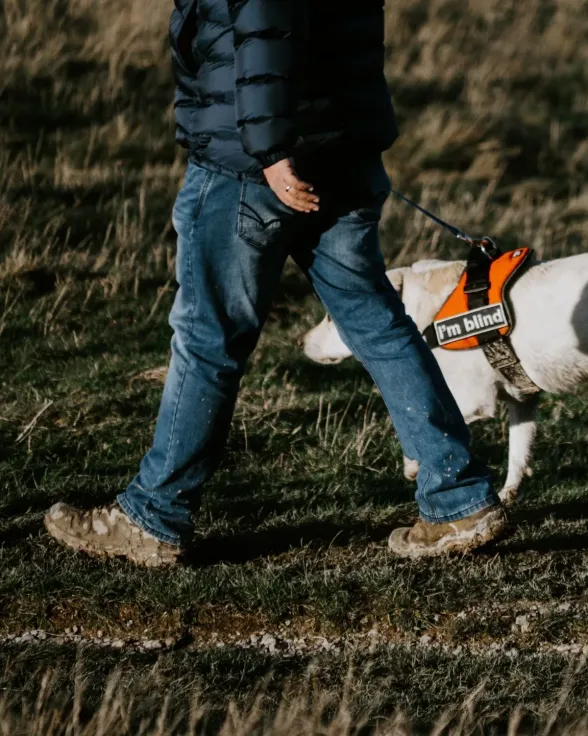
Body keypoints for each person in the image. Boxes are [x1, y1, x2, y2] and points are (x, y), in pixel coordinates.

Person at [43, 0, 507, 566]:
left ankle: (153, 516)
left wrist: (271, 151)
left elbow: (267, 27)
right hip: (343, 153)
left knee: (208, 340)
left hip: (255, 168)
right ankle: (459, 499)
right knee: (378, 324)